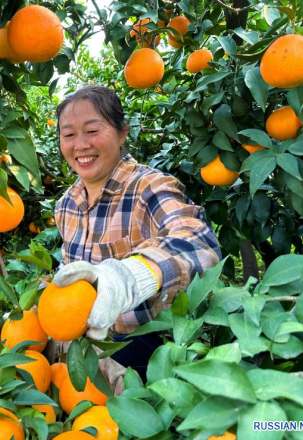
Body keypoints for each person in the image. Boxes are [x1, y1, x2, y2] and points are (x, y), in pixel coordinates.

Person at [50, 85, 222, 382]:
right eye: (68, 135)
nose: (80, 145)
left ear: (122, 133)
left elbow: (198, 244)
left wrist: (131, 276)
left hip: (148, 352)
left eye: (92, 131)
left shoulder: (149, 188)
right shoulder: (66, 205)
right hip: (87, 349)